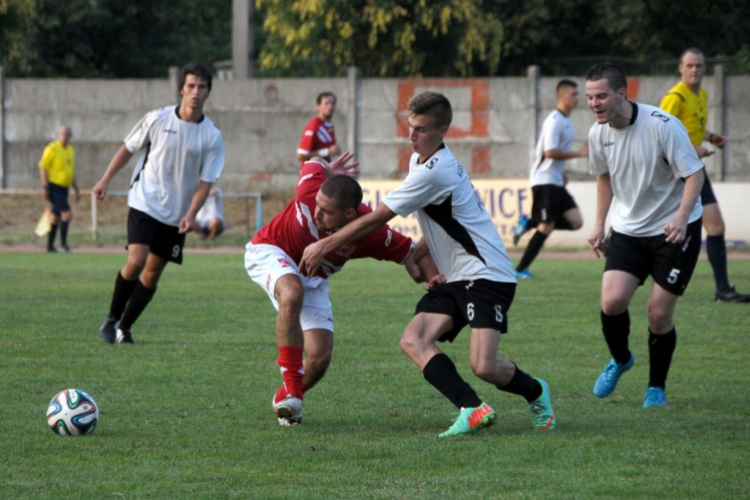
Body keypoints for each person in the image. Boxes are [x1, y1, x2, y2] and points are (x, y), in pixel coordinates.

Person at [300, 92, 556, 438]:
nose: (411, 136)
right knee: (413, 339)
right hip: (456, 276)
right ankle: (472, 407)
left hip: (487, 275)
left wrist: (325, 244)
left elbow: (378, 218)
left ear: (443, 130)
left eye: (420, 129)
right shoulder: (419, 163)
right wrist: (425, 256)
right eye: (410, 128)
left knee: (484, 366)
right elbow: (445, 223)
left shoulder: (437, 172)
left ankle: (536, 391)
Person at [245, 152, 424, 426]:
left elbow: (413, 255)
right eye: (316, 205)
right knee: (292, 293)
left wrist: (439, 279)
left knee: (319, 358)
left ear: (349, 214)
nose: (316, 212)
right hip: (270, 250)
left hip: (313, 278)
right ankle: (293, 388)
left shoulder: (370, 231)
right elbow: (314, 159)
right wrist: (329, 167)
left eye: (326, 211)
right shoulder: (309, 189)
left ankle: (286, 399)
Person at [585, 63, 705, 408]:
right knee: (612, 302)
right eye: (590, 97)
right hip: (628, 229)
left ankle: (656, 388)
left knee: (657, 314)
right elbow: (604, 177)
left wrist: (681, 219)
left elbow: (695, 175)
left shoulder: (662, 126)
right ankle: (621, 359)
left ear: (622, 94)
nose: (594, 103)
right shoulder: (598, 133)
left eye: (601, 96)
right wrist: (598, 224)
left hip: (673, 231)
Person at [92, 62, 225, 344]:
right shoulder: (158, 119)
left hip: (177, 216)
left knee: (152, 274)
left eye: (202, 87)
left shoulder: (211, 136)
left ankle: (125, 327)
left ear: (208, 92)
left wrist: (191, 214)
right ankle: (111, 319)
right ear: (181, 89)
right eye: (191, 86)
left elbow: (205, 183)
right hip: (145, 201)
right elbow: (128, 148)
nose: (196, 92)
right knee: (136, 261)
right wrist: (105, 179)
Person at [659, 48, 749, 303]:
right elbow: (658, 134)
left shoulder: (702, 95)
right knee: (668, 229)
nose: (694, 70)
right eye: (689, 65)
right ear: (680, 68)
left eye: (698, 65)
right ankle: (628, 263)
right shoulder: (675, 97)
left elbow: (692, 127)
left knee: (716, 226)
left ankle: (723, 290)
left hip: (694, 171)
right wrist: (692, 149)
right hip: (675, 173)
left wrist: (711, 137)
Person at [513, 80, 588, 278]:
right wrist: (579, 154)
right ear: (562, 96)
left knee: (576, 222)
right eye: (574, 94)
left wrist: (561, 173)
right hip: (544, 180)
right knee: (546, 226)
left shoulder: (566, 121)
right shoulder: (554, 120)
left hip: (554, 180)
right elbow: (550, 152)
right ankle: (520, 270)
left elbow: (553, 154)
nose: (577, 98)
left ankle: (528, 224)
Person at [38, 125, 80, 253]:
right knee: (67, 214)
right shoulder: (52, 149)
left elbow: (70, 171)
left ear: (70, 136)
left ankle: (50, 247)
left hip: (64, 187)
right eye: (62, 134)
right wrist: (45, 186)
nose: (65, 137)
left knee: (55, 217)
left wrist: (76, 189)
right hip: (53, 187)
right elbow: (43, 167)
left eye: (67, 134)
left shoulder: (70, 150)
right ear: (58, 135)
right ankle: (63, 245)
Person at [297, 92, 340, 167]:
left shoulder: (329, 125)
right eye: (326, 103)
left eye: (332, 104)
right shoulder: (314, 126)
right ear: (318, 106)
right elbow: (301, 155)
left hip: (325, 174)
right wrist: (327, 151)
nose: (330, 107)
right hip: (314, 176)